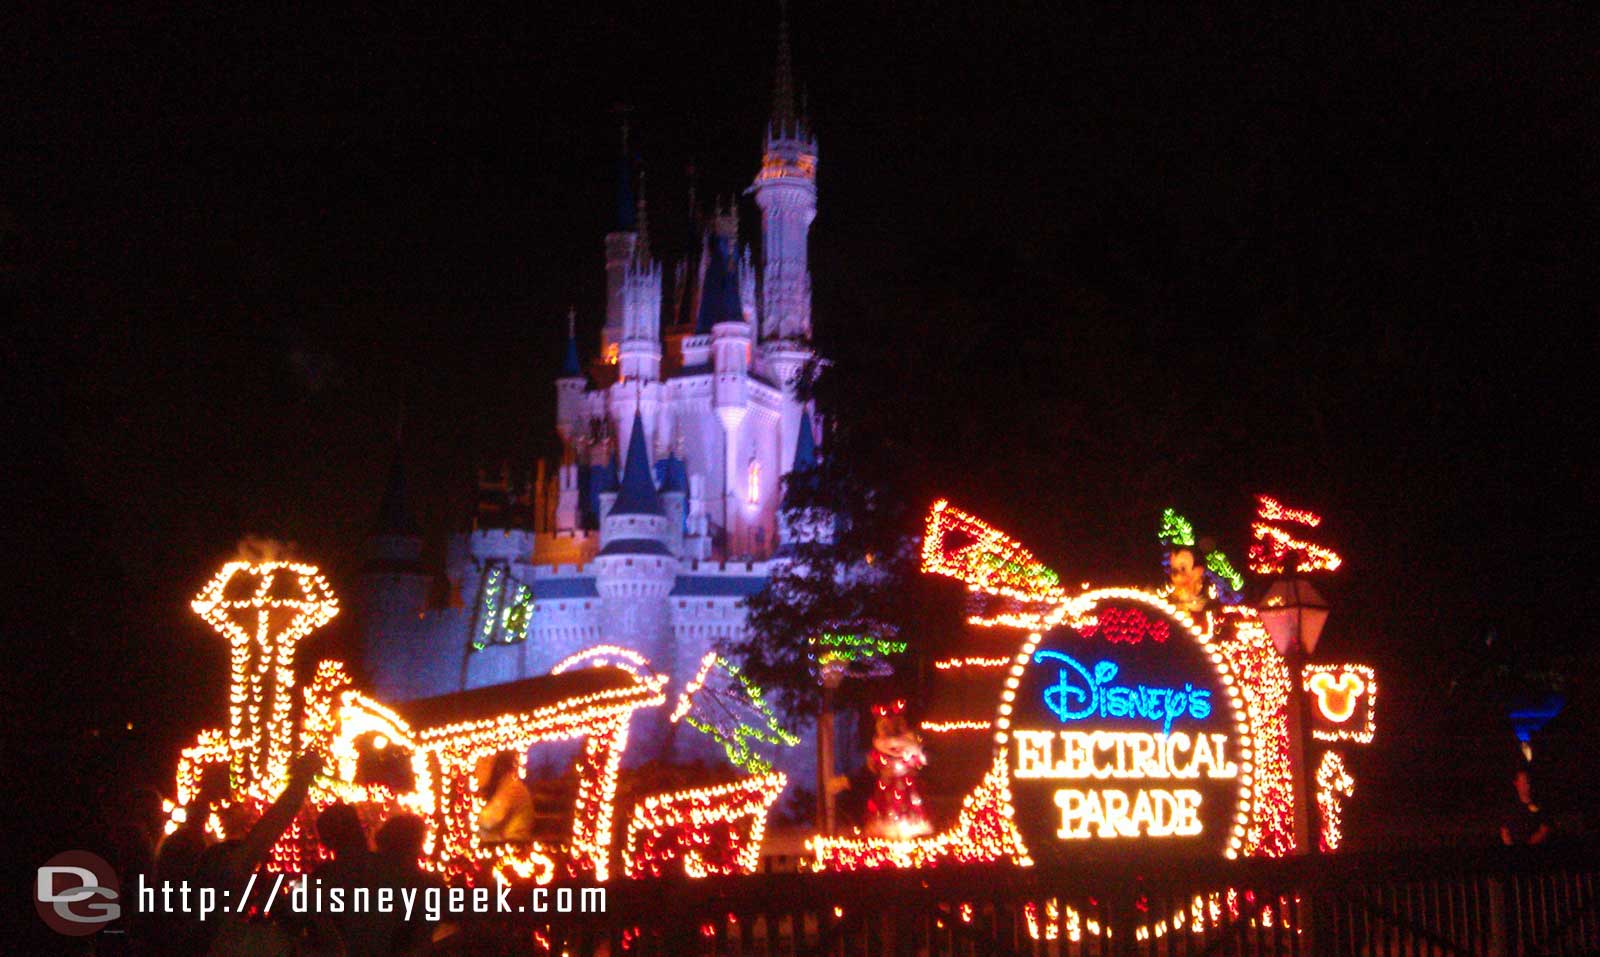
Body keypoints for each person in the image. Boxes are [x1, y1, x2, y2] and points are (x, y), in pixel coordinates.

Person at [476, 751, 534, 846]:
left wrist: (467, 814)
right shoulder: (506, 784)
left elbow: (489, 821)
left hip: (514, 846)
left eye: (487, 763)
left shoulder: (512, 787)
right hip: (505, 844)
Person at [1500, 767, 1551, 845]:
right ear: (1516, 783)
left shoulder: (1539, 804)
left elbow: (1544, 829)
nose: (1525, 786)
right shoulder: (1510, 807)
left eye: (1526, 782)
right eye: (1522, 782)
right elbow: (1504, 830)